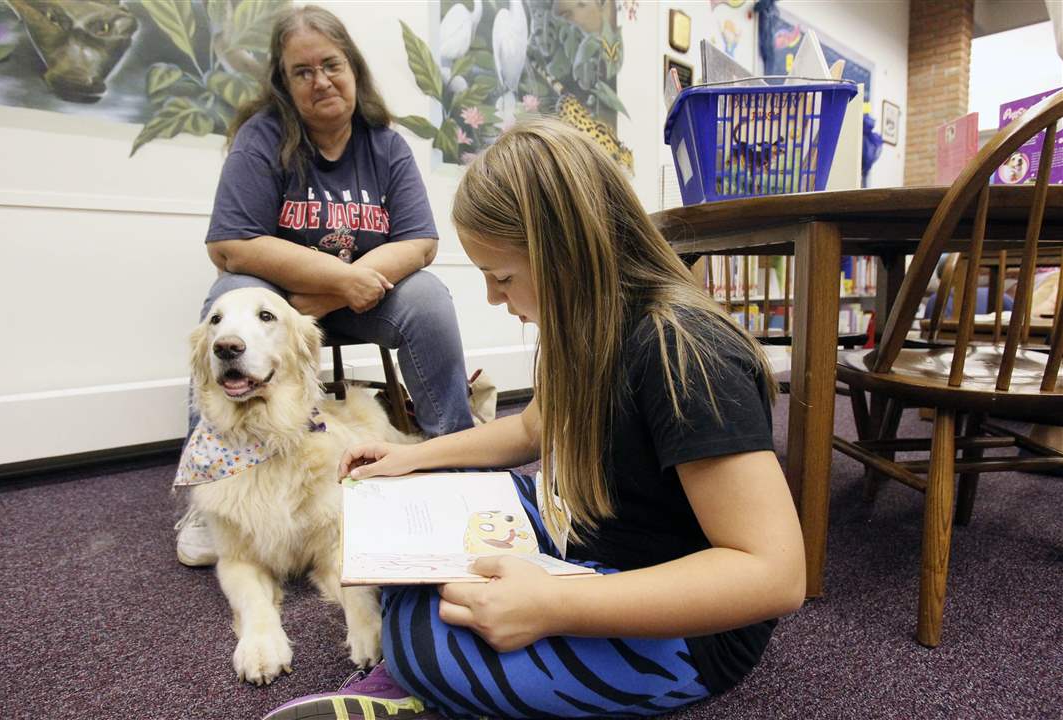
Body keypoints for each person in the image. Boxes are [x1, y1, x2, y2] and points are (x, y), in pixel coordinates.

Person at [264, 119, 806, 720]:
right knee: (408, 522)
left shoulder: (685, 352)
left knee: (421, 640)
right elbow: (530, 431)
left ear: (568, 255)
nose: (496, 299)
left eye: (502, 277)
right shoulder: (581, 324)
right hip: (591, 533)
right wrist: (413, 455)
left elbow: (774, 575)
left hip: (689, 627)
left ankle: (424, 686)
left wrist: (556, 606)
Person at [175, 5, 474, 567]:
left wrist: (337, 294)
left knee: (429, 295)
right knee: (226, 296)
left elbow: (420, 242)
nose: (321, 81)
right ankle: (207, 493)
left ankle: (452, 456)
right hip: (281, 313)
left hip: (360, 302)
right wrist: (340, 278)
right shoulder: (263, 138)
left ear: (354, 67)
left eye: (331, 65)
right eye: (302, 72)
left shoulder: (385, 145)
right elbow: (231, 245)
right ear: (284, 85)